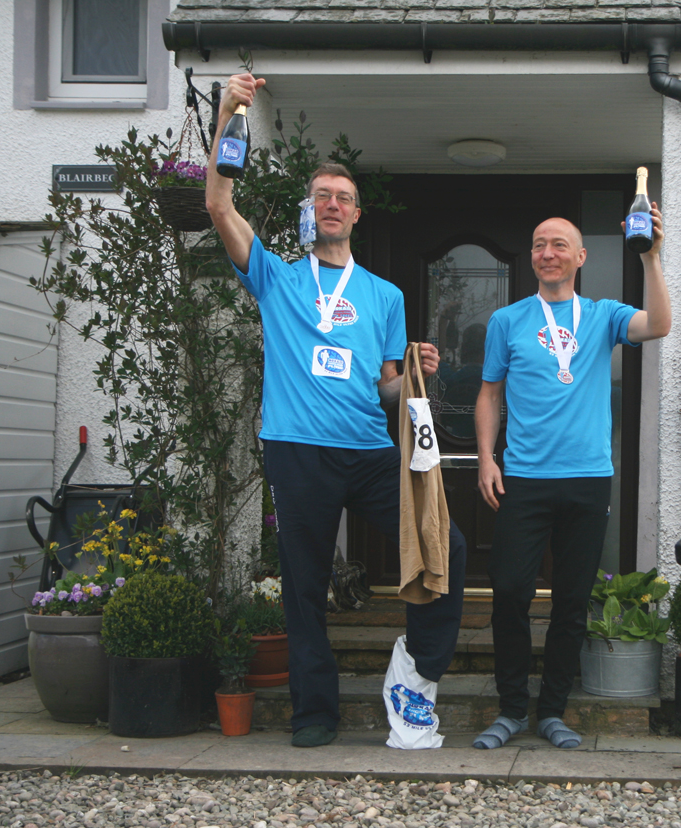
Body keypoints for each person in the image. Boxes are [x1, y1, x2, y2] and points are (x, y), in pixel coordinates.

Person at [206, 73, 466, 748]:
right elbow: (218, 205)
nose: (332, 204)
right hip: (297, 450)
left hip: (370, 452)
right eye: (322, 195)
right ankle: (314, 714)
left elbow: (386, 389)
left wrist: (416, 373)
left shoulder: (383, 295)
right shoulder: (276, 276)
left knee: (446, 545)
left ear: (356, 215)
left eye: (343, 198)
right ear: (310, 209)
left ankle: (419, 666)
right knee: (304, 585)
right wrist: (228, 112)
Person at [472, 211, 670, 750]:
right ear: (531, 257)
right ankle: (512, 709)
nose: (548, 253)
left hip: (587, 479)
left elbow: (659, 324)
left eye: (559, 244)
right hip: (524, 478)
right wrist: (487, 458)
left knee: (571, 599)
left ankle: (553, 711)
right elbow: (489, 393)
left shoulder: (604, 315)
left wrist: (651, 257)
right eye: (540, 244)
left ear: (580, 257)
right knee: (509, 592)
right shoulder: (507, 320)